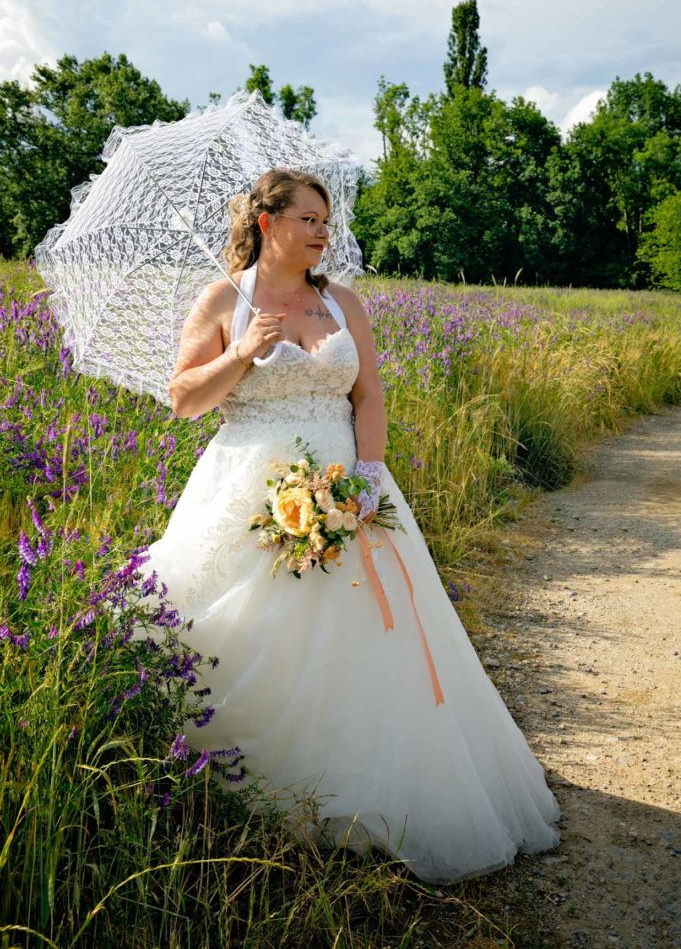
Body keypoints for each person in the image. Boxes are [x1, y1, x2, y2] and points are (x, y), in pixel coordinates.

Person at [141, 167, 561, 885]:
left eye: (325, 220)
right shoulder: (223, 299)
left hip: (345, 484)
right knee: (249, 630)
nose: (322, 231)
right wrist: (240, 354)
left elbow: (367, 395)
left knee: (369, 639)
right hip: (244, 487)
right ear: (268, 222)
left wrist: (367, 475)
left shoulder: (341, 302)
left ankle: (365, 790)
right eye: (308, 218)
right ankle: (244, 797)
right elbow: (183, 399)